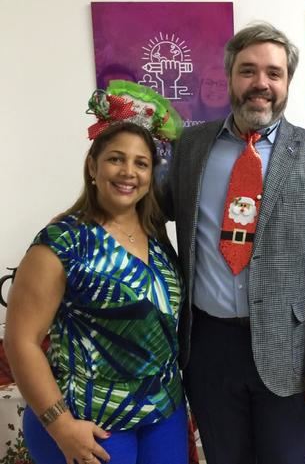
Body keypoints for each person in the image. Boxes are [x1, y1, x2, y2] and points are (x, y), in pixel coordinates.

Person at [161, 22, 305, 464]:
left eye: (274, 73)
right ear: (231, 77)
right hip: (208, 345)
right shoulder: (191, 146)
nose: (261, 84)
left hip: (288, 345)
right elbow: (150, 212)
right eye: (248, 71)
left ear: (287, 82)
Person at [4, 81, 188, 464]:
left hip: (162, 414)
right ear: (93, 166)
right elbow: (20, 340)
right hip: (89, 419)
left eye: (141, 163)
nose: (128, 172)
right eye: (116, 159)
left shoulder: (156, 235)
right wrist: (60, 425)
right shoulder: (61, 242)